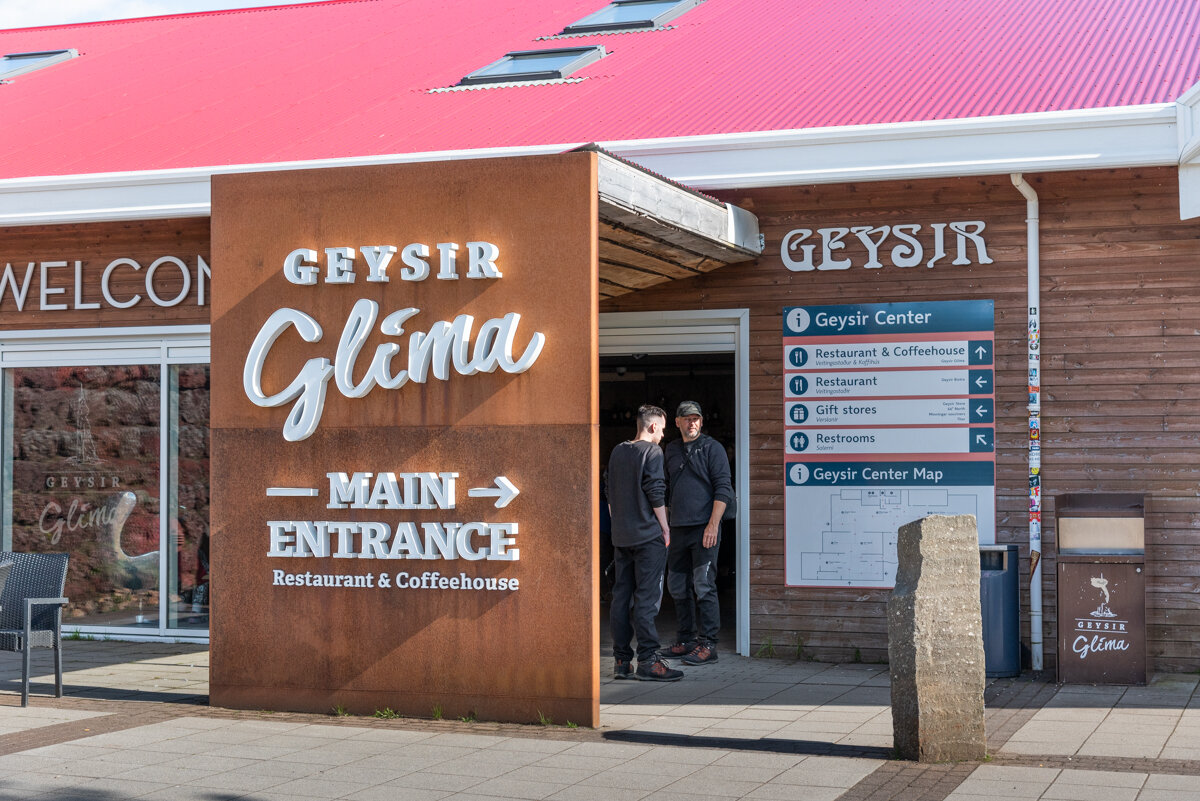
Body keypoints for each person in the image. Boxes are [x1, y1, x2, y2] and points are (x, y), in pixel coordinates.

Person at [606, 404, 683, 681]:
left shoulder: (617, 451)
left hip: (622, 536)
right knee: (647, 601)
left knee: (621, 597)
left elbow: (609, 491)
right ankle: (649, 661)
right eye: (662, 429)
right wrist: (665, 528)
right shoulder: (652, 452)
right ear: (652, 427)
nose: (662, 435)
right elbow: (655, 491)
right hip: (647, 537)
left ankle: (622, 661)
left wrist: (620, 522)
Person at [663, 400, 734, 665]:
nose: (691, 422)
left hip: (705, 529)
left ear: (701, 422)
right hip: (677, 529)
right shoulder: (670, 449)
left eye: (696, 418)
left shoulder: (712, 448)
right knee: (677, 587)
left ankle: (709, 645)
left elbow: (723, 488)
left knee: (703, 585)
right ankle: (686, 641)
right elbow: (666, 487)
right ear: (677, 422)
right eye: (686, 418)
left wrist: (713, 524)